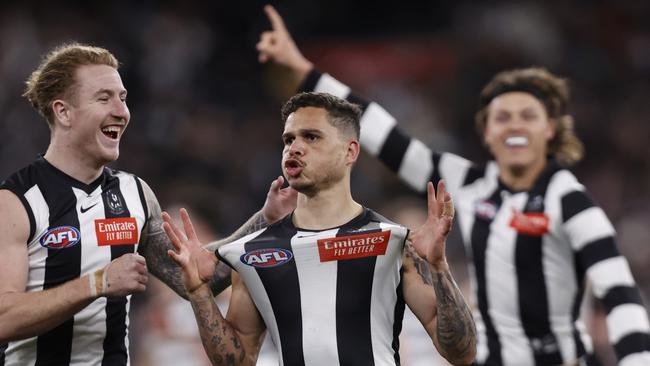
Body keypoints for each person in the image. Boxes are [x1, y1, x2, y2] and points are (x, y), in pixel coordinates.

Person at [255, 5, 650, 366]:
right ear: (486, 131)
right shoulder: (469, 183)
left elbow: (619, 290)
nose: (514, 124)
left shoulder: (569, 201)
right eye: (502, 116)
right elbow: (384, 134)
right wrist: (304, 69)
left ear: (549, 130)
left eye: (527, 115)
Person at [0, 42, 294, 366]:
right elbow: (5, 318)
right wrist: (97, 283)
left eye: (122, 98)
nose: (121, 111)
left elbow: (191, 277)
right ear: (63, 112)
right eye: (104, 98)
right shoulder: (15, 201)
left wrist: (266, 219)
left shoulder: (134, 193)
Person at [162, 92, 477, 365]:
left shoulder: (392, 241)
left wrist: (438, 267)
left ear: (349, 152)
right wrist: (200, 294)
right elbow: (239, 360)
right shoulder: (252, 253)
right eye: (289, 139)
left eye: (311, 137)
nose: (294, 148)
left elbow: (460, 353)